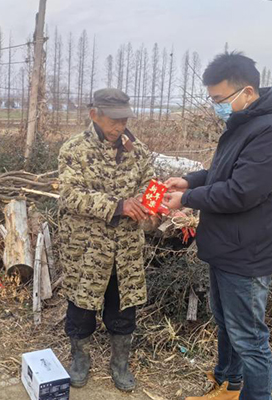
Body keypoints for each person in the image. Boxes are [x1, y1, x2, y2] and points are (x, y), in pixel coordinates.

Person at [163, 52, 272, 400]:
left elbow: (241, 192)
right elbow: (224, 174)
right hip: (227, 246)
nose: (216, 107)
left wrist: (188, 200)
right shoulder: (245, 124)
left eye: (220, 100)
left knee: (250, 339)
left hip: (247, 253)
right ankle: (228, 386)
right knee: (228, 325)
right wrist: (189, 181)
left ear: (248, 92)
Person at [58, 88, 155, 392]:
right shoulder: (74, 149)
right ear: (94, 115)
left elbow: (150, 188)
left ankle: (120, 364)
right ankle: (80, 360)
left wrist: (152, 208)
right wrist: (118, 206)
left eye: (124, 119)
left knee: (123, 308)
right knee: (81, 308)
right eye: (114, 120)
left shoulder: (138, 151)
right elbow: (71, 195)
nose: (120, 126)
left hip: (126, 248)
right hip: (86, 248)